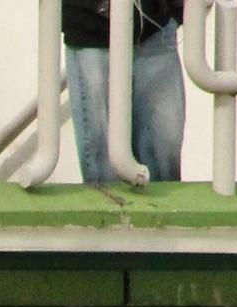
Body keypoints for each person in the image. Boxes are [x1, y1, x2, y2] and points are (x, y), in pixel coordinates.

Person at [63, 0, 184, 184]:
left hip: (156, 26)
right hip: (90, 30)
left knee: (164, 156)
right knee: (104, 167)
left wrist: (176, 10)